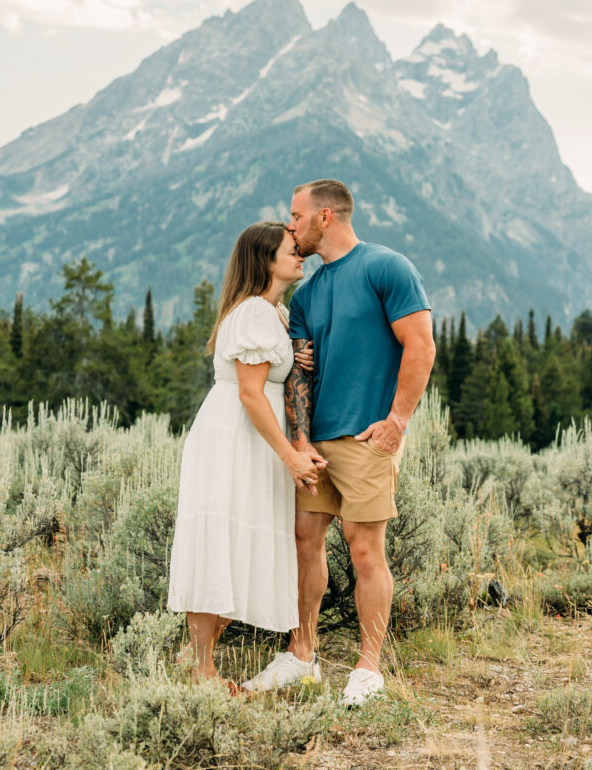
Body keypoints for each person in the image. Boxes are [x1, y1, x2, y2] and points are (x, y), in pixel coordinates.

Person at [242, 180, 436, 706]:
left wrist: (398, 420)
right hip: (317, 444)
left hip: (367, 437)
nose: (290, 225)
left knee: (365, 549)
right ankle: (301, 656)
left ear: (324, 217)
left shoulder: (386, 267)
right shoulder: (306, 293)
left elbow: (421, 344)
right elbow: (301, 374)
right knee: (305, 542)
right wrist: (300, 441)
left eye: (295, 214)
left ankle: (368, 668)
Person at [167, 221, 326, 682]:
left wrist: (293, 356)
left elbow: (267, 374)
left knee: (236, 545)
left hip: (251, 441)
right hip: (236, 438)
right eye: (291, 250)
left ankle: (196, 660)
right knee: (219, 541)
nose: (301, 255)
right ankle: (202, 671)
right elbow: (252, 395)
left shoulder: (272, 314)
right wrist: (291, 455)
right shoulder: (256, 312)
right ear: (265, 260)